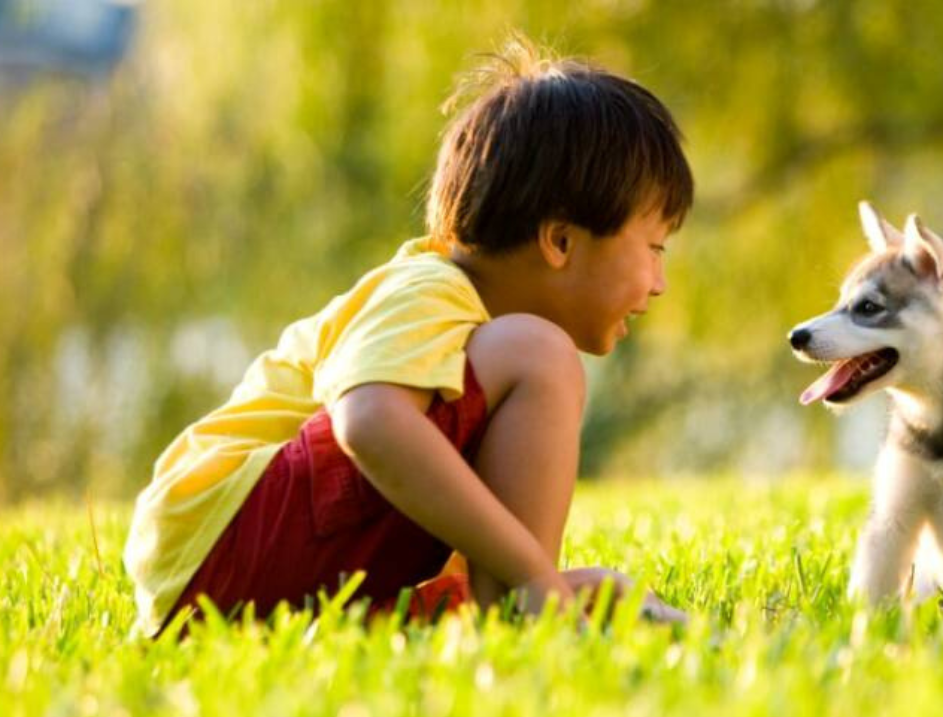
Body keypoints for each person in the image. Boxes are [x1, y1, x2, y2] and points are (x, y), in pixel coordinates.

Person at [123, 37, 694, 638]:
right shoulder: (430, 288)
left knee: (525, 377)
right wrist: (533, 576)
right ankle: (527, 608)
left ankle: (510, 613)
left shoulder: (474, 357)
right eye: (654, 249)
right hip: (222, 544)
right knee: (541, 353)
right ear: (559, 241)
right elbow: (368, 421)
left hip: (236, 587)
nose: (659, 283)